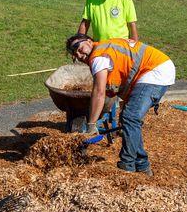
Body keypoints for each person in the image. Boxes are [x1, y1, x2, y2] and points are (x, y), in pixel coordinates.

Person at [66, 33, 175, 176]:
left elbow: (99, 92)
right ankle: (142, 166)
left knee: (130, 117)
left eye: (78, 48)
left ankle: (127, 166)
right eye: (74, 53)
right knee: (130, 120)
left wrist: (91, 125)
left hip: (154, 71)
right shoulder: (103, 50)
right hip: (152, 70)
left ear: (88, 41)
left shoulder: (98, 57)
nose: (79, 55)